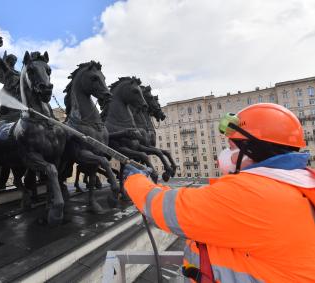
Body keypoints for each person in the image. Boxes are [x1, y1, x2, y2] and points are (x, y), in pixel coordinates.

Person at [123, 103, 315, 282]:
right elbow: (199, 203)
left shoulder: (251, 193)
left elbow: (170, 209)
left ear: (252, 148)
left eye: (231, 147)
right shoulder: (298, 181)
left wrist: (135, 180)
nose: (224, 153)